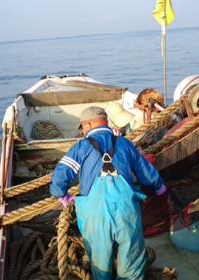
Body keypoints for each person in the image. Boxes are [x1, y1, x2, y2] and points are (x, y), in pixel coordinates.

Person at [50, 106, 166, 280]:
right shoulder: (125, 143)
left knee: (100, 262)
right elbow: (145, 171)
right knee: (131, 258)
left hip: (94, 214)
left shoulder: (81, 146)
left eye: (82, 126)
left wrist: (63, 196)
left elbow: (59, 177)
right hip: (126, 211)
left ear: (88, 124)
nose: (82, 131)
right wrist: (158, 187)